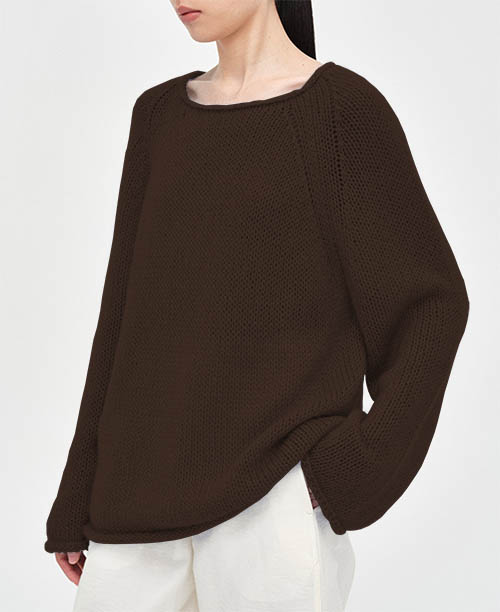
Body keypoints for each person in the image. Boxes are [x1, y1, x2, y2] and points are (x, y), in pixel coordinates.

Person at [44, 1, 470, 610]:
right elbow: (123, 317)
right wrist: (76, 490)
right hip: (132, 507)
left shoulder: (339, 111)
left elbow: (430, 305)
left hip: (273, 511)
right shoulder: (158, 116)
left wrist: (354, 469)